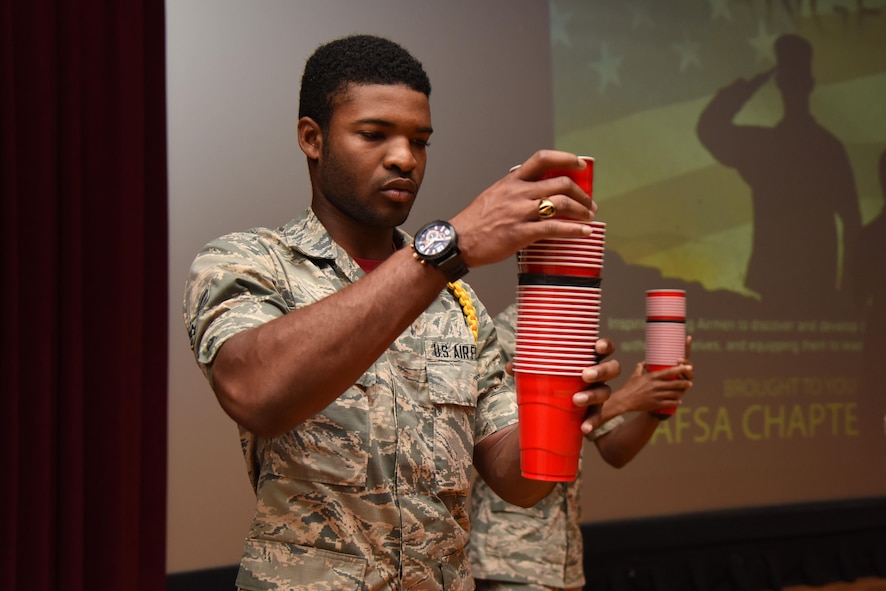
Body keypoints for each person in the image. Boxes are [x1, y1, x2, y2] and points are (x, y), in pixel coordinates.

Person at [183, 34, 622, 591]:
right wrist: (449, 245)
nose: (404, 157)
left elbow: (519, 483)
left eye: (420, 140)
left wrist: (567, 404)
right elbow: (255, 392)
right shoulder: (249, 262)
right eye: (374, 134)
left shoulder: (456, 301)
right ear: (311, 139)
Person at [468, 304, 694, 591]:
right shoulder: (507, 333)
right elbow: (532, 432)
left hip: (564, 556)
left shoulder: (575, 334)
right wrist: (626, 398)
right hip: (510, 551)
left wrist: (655, 405)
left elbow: (615, 450)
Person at [696, 33, 861, 316]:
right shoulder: (795, 146)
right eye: (788, 79)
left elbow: (851, 221)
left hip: (810, 285)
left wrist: (849, 290)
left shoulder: (778, 146)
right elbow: (710, 129)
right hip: (786, 283)